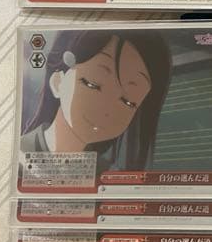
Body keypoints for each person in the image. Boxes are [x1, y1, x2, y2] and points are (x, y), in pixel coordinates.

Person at [20, 30, 171, 175]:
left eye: (128, 102)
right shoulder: (17, 155)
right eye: (92, 84)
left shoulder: (109, 177)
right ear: (57, 81)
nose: (108, 110)